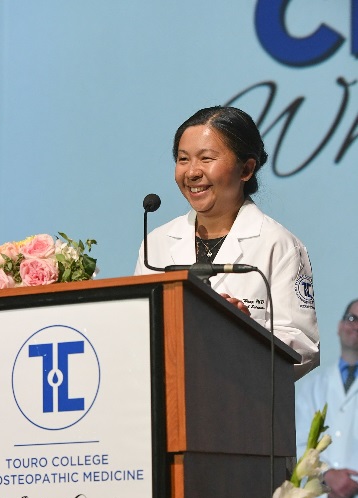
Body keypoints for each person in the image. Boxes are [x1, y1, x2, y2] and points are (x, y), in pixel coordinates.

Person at [135, 105, 319, 379]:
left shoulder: (278, 244)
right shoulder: (158, 243)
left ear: (246, 169)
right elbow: (139, 332)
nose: (192, 172)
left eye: (206, 158)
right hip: (169, 404)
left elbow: (303, 347)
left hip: (243, 407)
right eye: (183, 159)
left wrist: (244, 332)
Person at [296, 299, 358, 498]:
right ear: (340, 325)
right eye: (352, 318)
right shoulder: (310, 389)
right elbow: (295, 444)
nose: (355, 327)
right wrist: (327, 475)